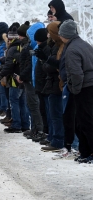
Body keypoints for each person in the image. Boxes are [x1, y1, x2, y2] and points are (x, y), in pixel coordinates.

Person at [58, 20, 93, 163]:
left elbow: (76, 73)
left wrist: (74, 90)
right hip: (89, 86)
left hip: (83, 88)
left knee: (85, 122)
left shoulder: (71, 49)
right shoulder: (85, 44)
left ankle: (89, 152)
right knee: (83, 121)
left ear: (66, 35)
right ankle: (85, 152)